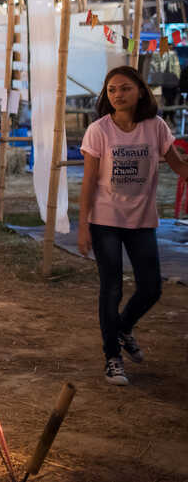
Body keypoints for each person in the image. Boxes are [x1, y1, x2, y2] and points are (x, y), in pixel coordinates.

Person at [78, 65, 188, 385]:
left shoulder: (155, 127)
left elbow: (179, 167)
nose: (118, 95)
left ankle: (124, 327)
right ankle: (112, 357)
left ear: (140, 90)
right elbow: (88, 182)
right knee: (111, 288)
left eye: (125, 88)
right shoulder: (98, 130)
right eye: (112, 90)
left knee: (152, 287)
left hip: (141, 220)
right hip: (105, 220)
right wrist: (84, 224)